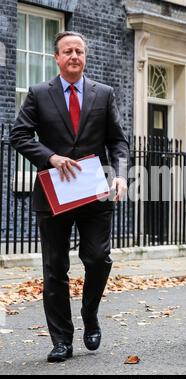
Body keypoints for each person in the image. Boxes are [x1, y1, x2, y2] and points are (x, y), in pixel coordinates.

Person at [10, 31, 129, 362]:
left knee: (98, 259)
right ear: (57, 58)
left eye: (79, 51)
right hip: (54, 194)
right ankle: (62, 340)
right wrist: (50, 157)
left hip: (94, 192)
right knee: (55, 269)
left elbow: (118, 141)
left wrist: (120, 175)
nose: (74, 55)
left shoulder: (103, 94)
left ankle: (89, 315)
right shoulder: (38, 94)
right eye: (68, 51)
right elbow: (18, 134)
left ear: (84, 57)